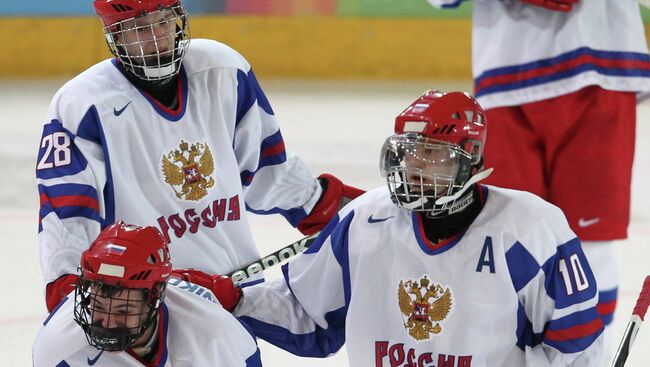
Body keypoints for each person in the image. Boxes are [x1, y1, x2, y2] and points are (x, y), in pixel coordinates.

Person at [224, 91, 604, 366]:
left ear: (470, 159)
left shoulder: (529, 227)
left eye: (434, 155)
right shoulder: (364, 220)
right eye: (410, 153)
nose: (415, 167)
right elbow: (307, 315)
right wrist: (234, 299)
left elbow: (575, 346)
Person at [35, 0, 363, 312]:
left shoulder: (223, 71)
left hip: (230, 298)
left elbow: (267, 171)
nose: (157, 37)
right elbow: (69, 218)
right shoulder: (82, 106)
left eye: (164, 21)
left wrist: (339, 211)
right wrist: (70, 289)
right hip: (137, 309)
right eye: (139, 27)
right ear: (116, 35)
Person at [425, 0, 650, 345]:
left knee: (589, 247)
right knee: (506, 242)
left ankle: (587, 358)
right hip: (504, 81)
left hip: (599, 67)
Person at [32, 221, 262, 366]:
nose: (108, 322)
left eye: (123, 310)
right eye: (98, 306)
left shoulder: (214, 337)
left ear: (156, 300)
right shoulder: (60, 347)